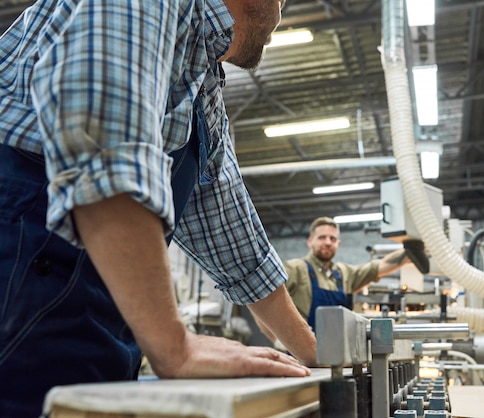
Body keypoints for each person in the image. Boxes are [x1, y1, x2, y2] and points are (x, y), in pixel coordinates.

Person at [0, 0, 317, 416]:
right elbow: (102, 139)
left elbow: (234, 239)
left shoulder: (201, 83)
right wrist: (174, 347)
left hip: (85, 310)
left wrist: (315, 354)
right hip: (22, 273)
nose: (283, 8)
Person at [258, 217, 411, 343]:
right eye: (322, 237)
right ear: (310, 241)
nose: (327, 242)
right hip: (301, 359)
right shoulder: (295, 269)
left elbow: (379, 267)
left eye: (332, 238)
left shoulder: (344, 274)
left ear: (338, 244)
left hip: (339, 357)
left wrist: (411, 252)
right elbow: (261, 301)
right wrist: (278, 342)